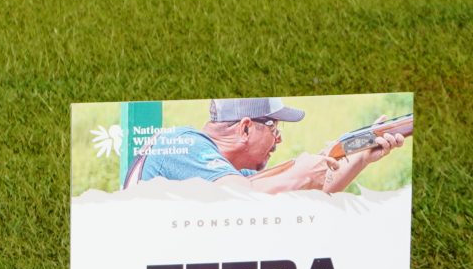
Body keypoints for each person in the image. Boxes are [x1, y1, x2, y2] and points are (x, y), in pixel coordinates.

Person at [127, 98, 407, 194]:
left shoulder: (230, 175)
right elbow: (243, 198)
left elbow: (308, 191)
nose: (280, 139)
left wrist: (360, 157)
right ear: (245, 127)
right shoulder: (183, 143)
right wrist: (301, 173)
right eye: (275, 128)